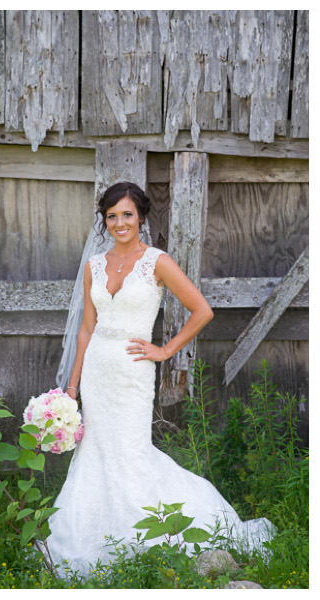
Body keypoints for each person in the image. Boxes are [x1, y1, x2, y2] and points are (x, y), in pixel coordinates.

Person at [45, 182, 274, 575]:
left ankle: (154, 528)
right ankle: (91, 530)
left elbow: (202, 310)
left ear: (141, 217)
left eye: (127, 215)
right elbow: (86, 329)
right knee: (96, 451)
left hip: (133, 371)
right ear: (104, 220)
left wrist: (165, 350)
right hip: (97, 369)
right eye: (112, 216)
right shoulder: (94, 266)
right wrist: (71, 387)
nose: (119, 223)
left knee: (131, 452)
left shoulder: (157, 262)